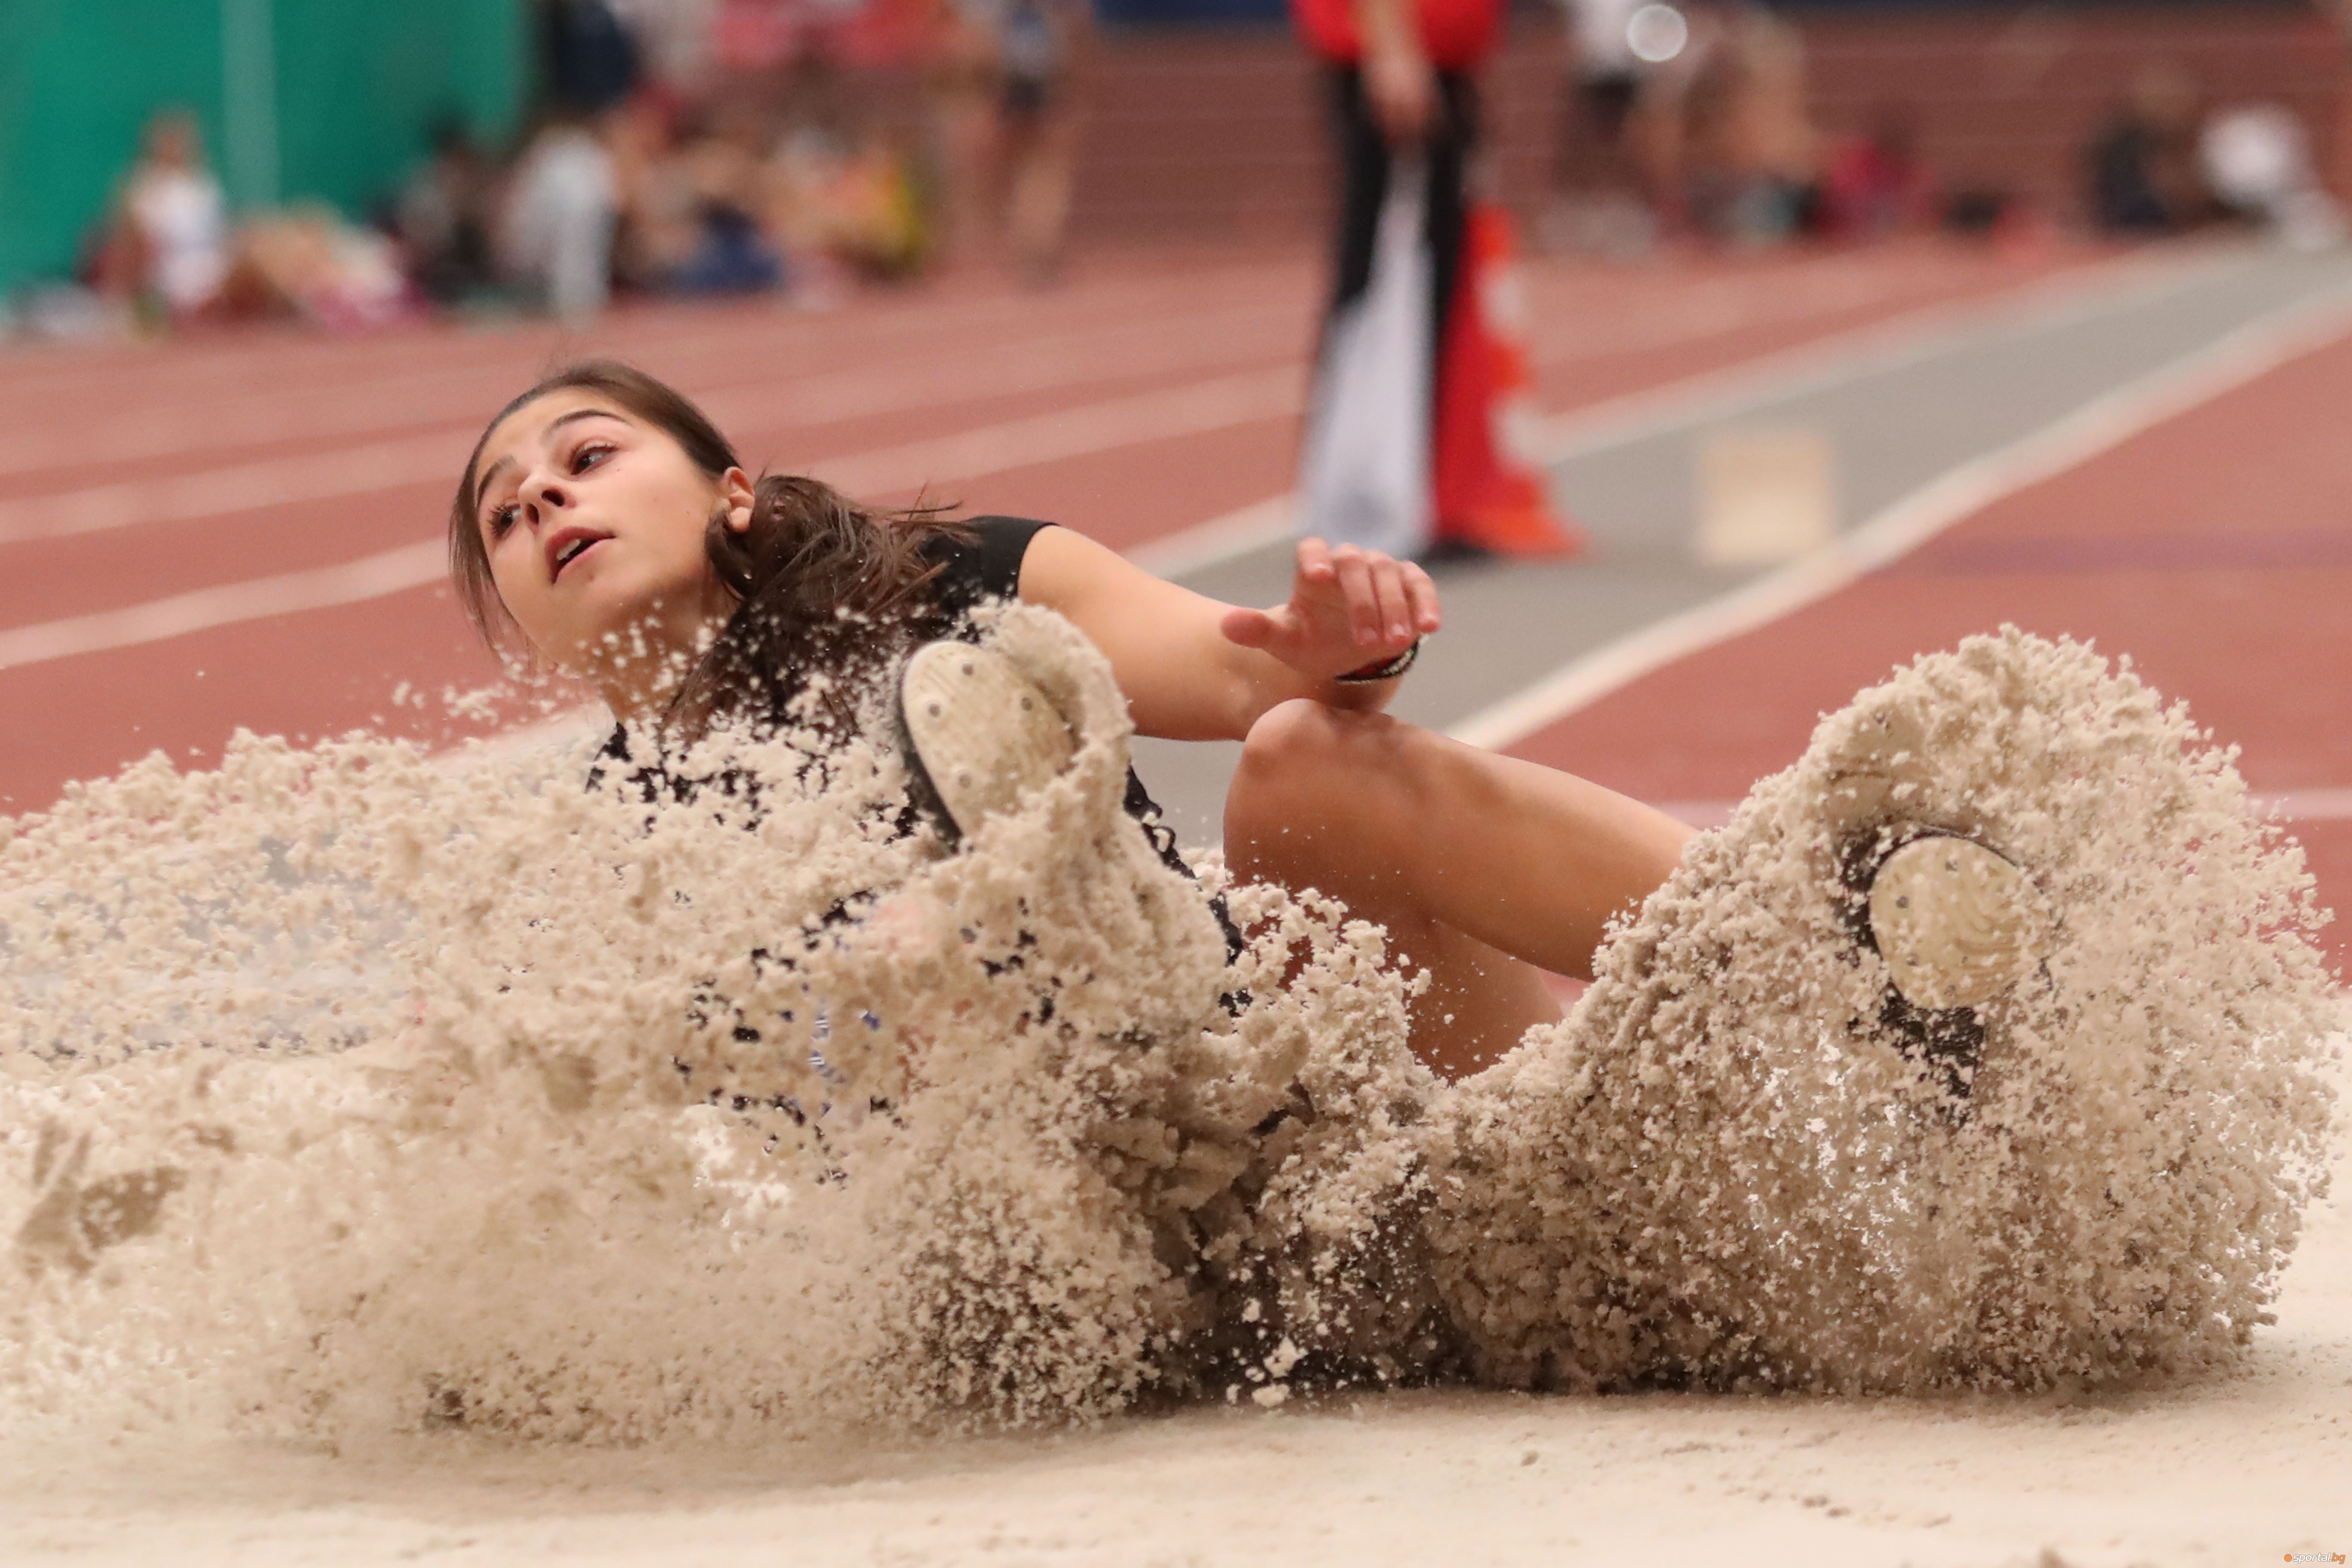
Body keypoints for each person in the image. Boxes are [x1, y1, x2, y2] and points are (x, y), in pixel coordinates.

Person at [450, 361, 1689, 1079]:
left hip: (1297, 1110)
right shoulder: (600, 874)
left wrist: (1333, 648)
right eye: (508, 517)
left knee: (1308, 758)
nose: (548, 495)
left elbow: (1245, 676)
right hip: (1095, 1273)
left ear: (733, 492)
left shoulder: (947, 585)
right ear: (515, 616)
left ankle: (1807, 926)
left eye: (590, 456)